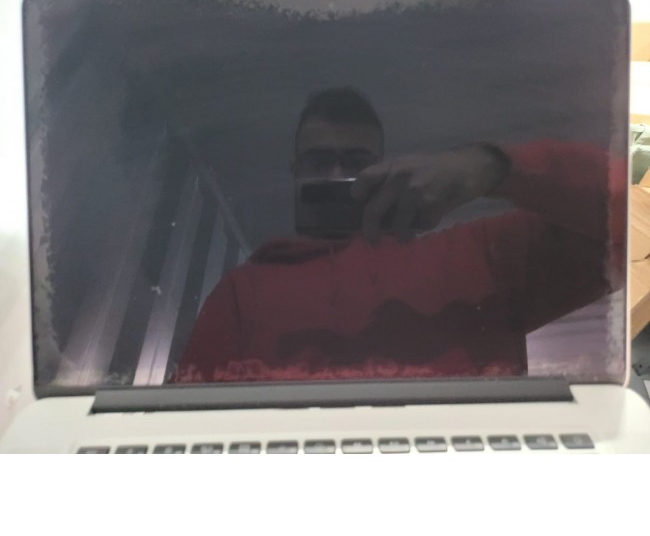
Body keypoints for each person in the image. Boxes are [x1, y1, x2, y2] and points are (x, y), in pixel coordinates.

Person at [170, 87, 625, 383]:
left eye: (355, 163)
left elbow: (631, 226)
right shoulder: (243, 291)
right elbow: (189, 424)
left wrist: (490, 167)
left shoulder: (479, 254)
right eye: (318, 163)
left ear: (384, 169)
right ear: (294, 174)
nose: (336, 177)